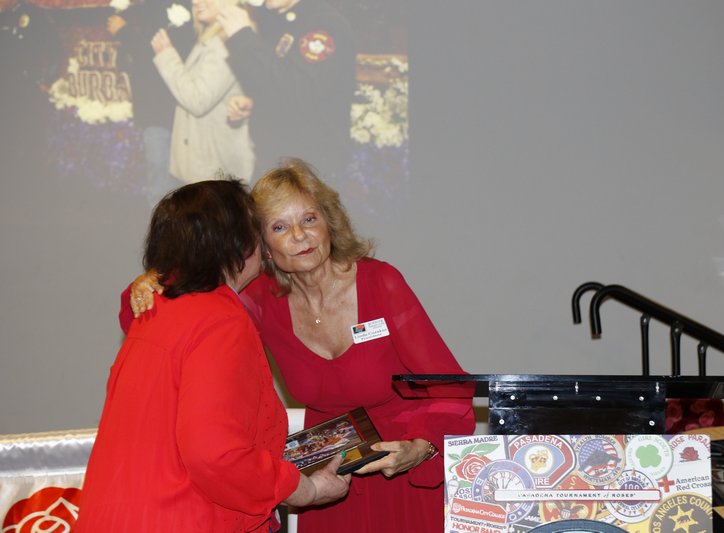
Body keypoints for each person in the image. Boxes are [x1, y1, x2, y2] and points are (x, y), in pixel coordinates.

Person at [125, 159, 476, 532]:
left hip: (398, 473)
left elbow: (449, 388)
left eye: (309, 219)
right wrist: (157, 280)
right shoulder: (261, 300)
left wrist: (422, 446)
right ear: (260, 245)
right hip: (327, 484)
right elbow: (183, 321)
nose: (300, 235)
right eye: (280, 227)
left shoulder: (381, 283)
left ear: (329, 223)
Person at [76, 179, 350, 533]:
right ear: (238, 242)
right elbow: (216, 455)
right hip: (184, 518)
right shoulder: (220, 320)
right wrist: (305, 489)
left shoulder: (155, 308)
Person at [216, 0, 356, 183]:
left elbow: (300, 94)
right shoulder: (280, 20)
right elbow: (282, 84)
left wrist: (243, 36)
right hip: (278, 162)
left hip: (307, 169)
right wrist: (256, 104)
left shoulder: (323, 23)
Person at [151, 0, 255, 185]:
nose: (196, 1)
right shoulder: (211, 37)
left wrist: (166, 56)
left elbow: (197, 100)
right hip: (206, 162)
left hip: (215, 166)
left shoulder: (227, 40)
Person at [107, 2, 194, 206]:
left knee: (165, 181)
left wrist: (124, 32)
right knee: (161, 179)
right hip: (158, 109)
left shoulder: (176, 10)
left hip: (168, 109)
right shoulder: (146, 9)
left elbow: (159, 56)